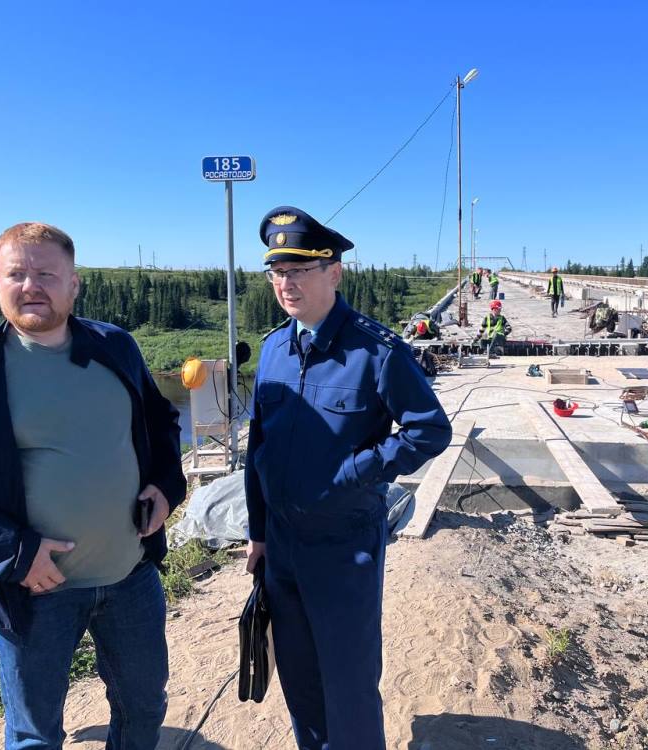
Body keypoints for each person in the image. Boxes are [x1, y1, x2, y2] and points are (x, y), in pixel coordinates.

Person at [0, 222, 186, 750]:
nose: (32, 286)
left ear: (74, 283)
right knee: (34, 733)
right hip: (32, 593)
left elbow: (160, 424)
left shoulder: (116, 347)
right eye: (17, 274)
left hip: (129, 577)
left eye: (46, 273)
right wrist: (16, 554)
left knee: (144, 707)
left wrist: (165, 485)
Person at [245, 206, 451, 750]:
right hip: (283, 548)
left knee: (348, 684)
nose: (286, 283)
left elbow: (429, 431)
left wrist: (354, 472)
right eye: (277, 272)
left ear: (333, 272)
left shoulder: (375, 351)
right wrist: (259, 533)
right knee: (299, 680)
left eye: (300, 270)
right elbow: (257, 449)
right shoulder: (273, 350)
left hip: (342, 548)